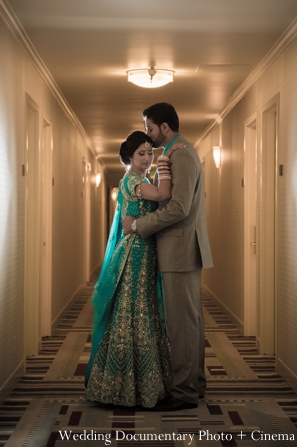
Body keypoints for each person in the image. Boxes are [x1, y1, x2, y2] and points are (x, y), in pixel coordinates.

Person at [123, 103, 213, 411]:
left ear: (164, 127)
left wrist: (138, 225)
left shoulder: (183, 154)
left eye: (149, 128)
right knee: (190, 322)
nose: (147, 134)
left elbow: (179, 207)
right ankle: (195, 384)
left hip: (180, 250)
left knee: (182, 325)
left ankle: (185, 393)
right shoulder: (174, 153)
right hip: (182, 249)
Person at [85, 130, 181, 409]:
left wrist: (159, 162)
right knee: (136, 311)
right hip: (136, 253)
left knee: (140, 309)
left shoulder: (133, 179)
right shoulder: (135, 180)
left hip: (143, 251)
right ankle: (128, 386)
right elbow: (164, 194)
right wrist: (165, 162)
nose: (148, 158)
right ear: (129, 156)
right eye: (142, 153)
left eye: (150, 153)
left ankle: (136, 383)